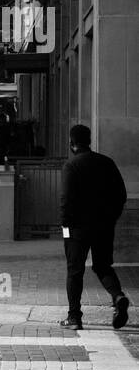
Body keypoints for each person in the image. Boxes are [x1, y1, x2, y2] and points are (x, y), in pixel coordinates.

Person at [59, 123, 130, 331]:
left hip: (76, 229)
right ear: (89, 141)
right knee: (102, 265)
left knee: (75, 271)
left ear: (72, 143)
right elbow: (121, 195)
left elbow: (66, 200)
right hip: (104, 226)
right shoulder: (107, 162)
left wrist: (65, 226)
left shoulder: (71, 166)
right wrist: (111, 218)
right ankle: (118, 297)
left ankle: (74, 317)